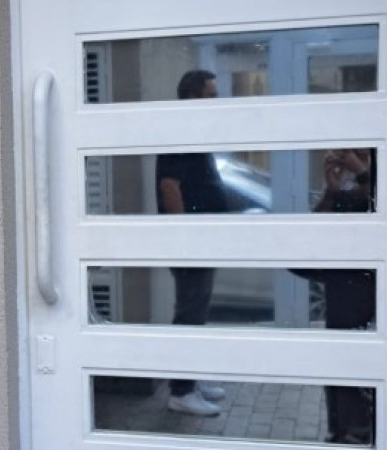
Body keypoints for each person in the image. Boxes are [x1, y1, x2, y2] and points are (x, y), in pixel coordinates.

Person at [155, 70, 229, 416]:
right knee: (189, 311)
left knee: (197, 308)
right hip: (190, 239)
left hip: (204, 237)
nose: (216, 102)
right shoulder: (179, 132)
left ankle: (191, 379)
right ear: (192, 97)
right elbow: (170, 187)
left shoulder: (195, 132)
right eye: (211, 95)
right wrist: (185, 236)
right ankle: (181, 392)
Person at [291, 148, 376, 444]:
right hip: (342, 286)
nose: (349, 154)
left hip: (371, 288)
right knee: (338, 358)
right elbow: (318, 231)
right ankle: (339, 430)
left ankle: (358, 431)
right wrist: (331, 189)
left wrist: (363, 172)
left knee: (357, 360)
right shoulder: (351, 185)